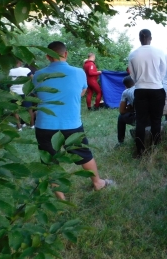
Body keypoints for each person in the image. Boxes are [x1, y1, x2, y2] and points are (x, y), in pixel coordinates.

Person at [33, 41, 112, 199]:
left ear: (48, 56)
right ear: (66, 54)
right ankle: (97, 183)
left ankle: (60, 198)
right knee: (84, 153)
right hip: (71, 124)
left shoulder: (38, 75)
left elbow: (37, 95)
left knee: (50, 160)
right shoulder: (78, 72)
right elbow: (82, 93)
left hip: (45, 125)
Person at [128, 29, 167, 157]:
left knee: (140, 121)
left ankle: (140, 151)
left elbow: (132, 75)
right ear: (151, 38)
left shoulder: (133, 54)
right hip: (157, 88)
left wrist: (140, 82)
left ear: (140, 38)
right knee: (156, 120)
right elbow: (163, 71)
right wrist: (156, 80)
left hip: (140, 89)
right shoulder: (159, 52)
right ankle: (156, 146)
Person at [9, 60, 35, 129]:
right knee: (29, 109)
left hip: (14, 93)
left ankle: (19, 127)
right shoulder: (26, 70)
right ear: (21, 63)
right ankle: (32, 125)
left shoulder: (11, 71)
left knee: (16, 110)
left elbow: (9, 82)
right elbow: (32, 78)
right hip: (25, 92)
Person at [116, 76, 136, 146]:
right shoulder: (142, 87)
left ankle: (120, 141)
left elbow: (122, 111)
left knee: (120, 117)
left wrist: (129, 108)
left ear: (125, 86)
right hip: (155, 116)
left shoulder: (126, 92)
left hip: (140, 119)